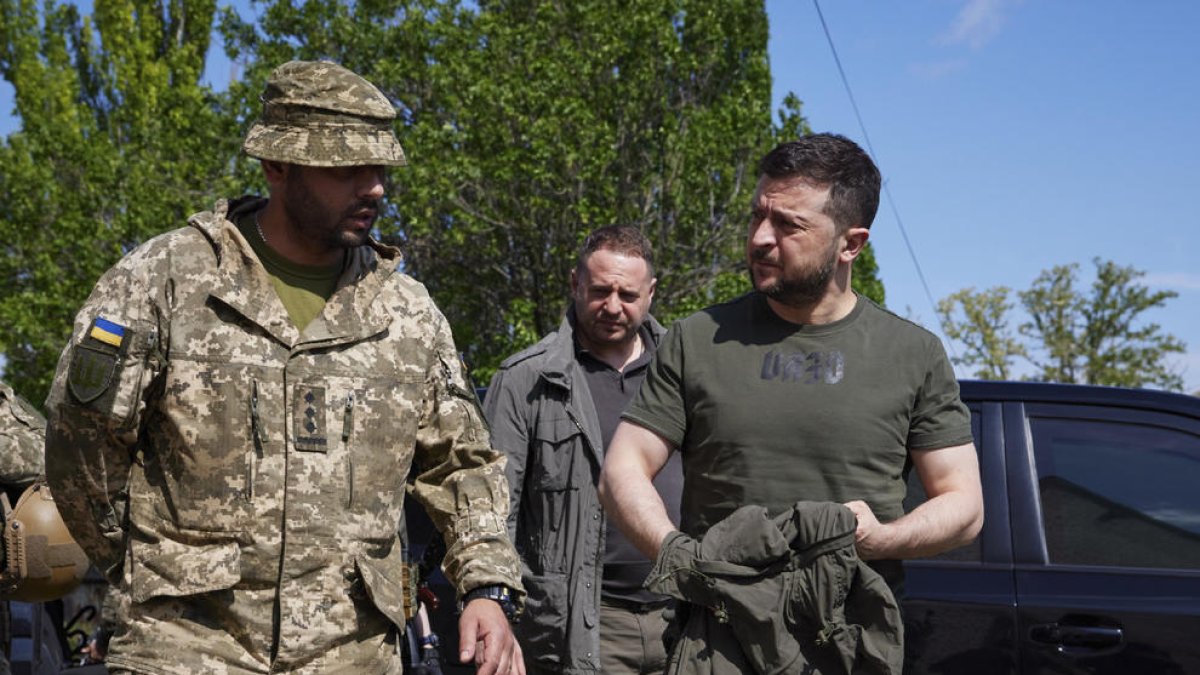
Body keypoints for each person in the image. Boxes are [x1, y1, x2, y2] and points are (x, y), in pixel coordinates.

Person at [43, 60, 525, 675]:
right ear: (278, 166)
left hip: (351, 653)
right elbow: (80, 449)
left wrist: (486, 587)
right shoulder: (163, 283)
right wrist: (149, 566)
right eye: (349, 168)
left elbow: (461, 464)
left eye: (380, 167)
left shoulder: (406, 313)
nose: (374, 187)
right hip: (185, 651)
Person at [598, 133, 984, 671]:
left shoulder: (913, 353)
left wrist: (881, 538)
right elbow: (622, 468)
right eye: (758, 216)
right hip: (718, 641)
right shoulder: (697, 339)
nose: (760, 238)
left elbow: (964, 507)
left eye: (789, 225)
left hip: (849, 641)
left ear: (851, 244)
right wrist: (674, 552)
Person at [484, 226, 682, 674]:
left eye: (628, 295)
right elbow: (495, 512)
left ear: (651, 293)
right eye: (599, 291)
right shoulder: (527, 380)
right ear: (576, 283)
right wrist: (498, 609)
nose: (613, 307)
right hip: (585, 622)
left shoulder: (683, 373)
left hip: (682, 615)